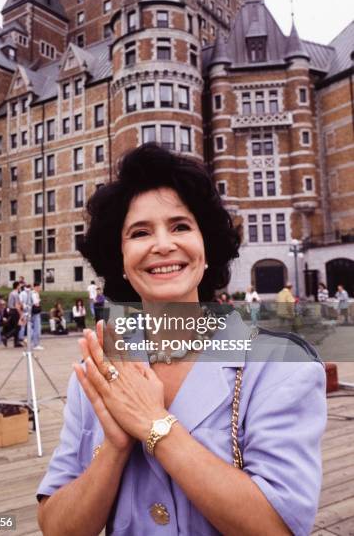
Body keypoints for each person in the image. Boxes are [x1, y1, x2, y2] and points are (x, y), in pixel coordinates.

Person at [37, 143, 327, 536]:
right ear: (120, 260)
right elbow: (56, 526)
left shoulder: (279, 365)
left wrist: (154, 424)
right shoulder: (99, 368)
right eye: (140, 232)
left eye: (180, 226)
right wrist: (115, 449)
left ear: (205, 247)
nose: (162, 244)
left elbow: (278, 528)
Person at [3, 281, 23, 347]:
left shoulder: (11, 293)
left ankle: (16, 342)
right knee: (18, 327)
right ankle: (6, 337)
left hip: (11, 311)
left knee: (15, 327)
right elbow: (17, 305)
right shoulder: (16, 294)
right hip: (15, 311)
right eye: (20, 286)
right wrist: (20, 313)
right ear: (17, 286)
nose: (20, 287)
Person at [31, 284, 43, 350]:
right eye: (38, 287)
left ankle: (34, 343)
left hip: (33, 312)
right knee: (37, 329)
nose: (39, 288)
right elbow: (36, 303)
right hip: (35, 312)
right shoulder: (34, 294)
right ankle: (36, 344)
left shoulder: (32, 293)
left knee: (34, 328)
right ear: (36, 287)